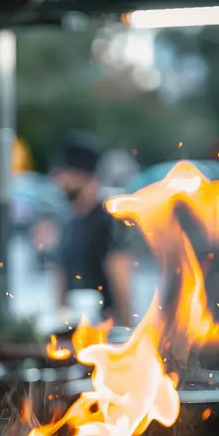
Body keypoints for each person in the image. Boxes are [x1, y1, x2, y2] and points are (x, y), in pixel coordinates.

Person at [50, 131, 132, 326]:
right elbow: (61, 277)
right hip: (74, 328)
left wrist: (127, 329)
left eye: (63, 174)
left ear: (82, 174)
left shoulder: (107, 219)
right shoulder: (70, 220)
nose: (59, 183)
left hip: (105, 329)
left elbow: (121, 279)